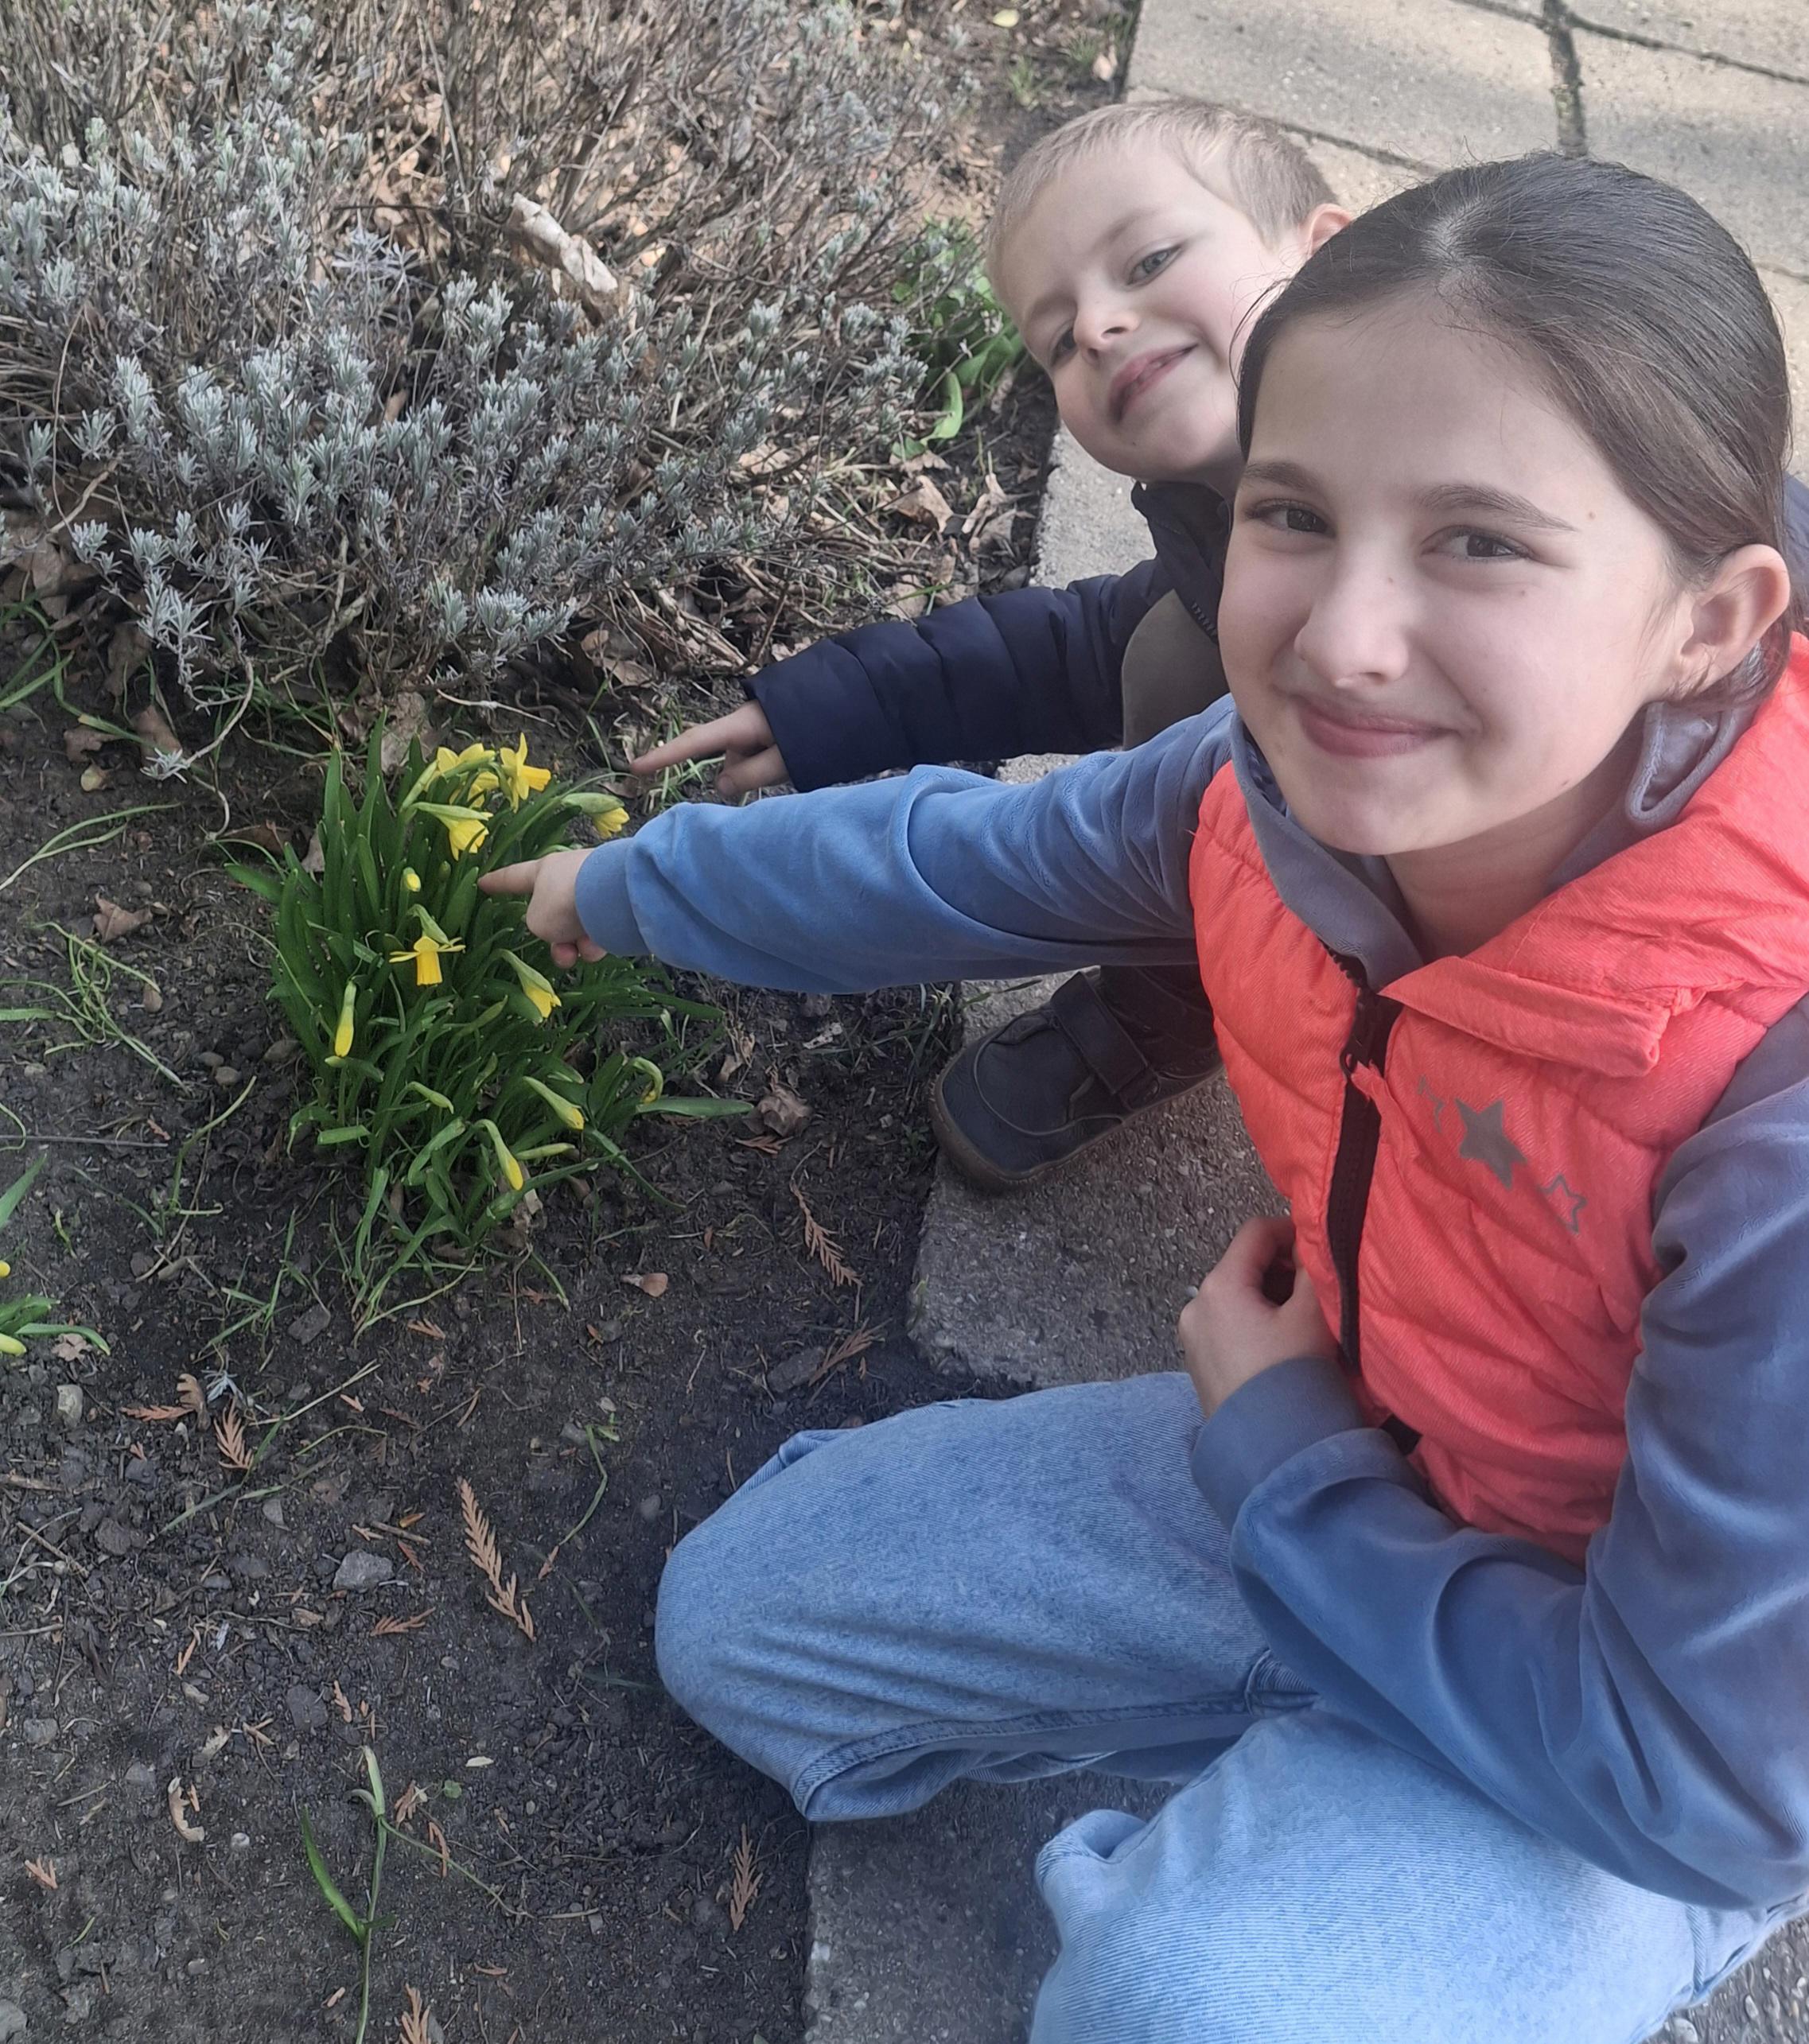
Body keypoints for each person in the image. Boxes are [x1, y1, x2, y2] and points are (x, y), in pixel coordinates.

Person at [484, 153, 1809, 2040]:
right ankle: (1333, 1763)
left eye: (1480, 543)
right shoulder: (1270, 790)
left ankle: (1467, 1902)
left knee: (1191, 2009)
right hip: (1377, 1431)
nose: (1341, 639)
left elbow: (1699, 1769)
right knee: (751, 1630)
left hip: (1639, 1677)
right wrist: (630, 885)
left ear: (1711, 618)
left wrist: (1283, 1475)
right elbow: (966, 859)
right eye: (1295, 514)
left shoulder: (1772, 1096)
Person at [628, 99, 1354, 1191]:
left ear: (1325, 255)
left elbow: (1054, 850)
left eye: (1149, 259)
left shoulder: (1476, 530)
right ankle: (1187, 993)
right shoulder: (1215, 539)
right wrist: (836, 706)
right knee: (1166, 658)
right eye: (1057, 338)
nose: (1097, 328)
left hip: (1510, 982)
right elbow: (1071, 648)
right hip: (1311, 868)